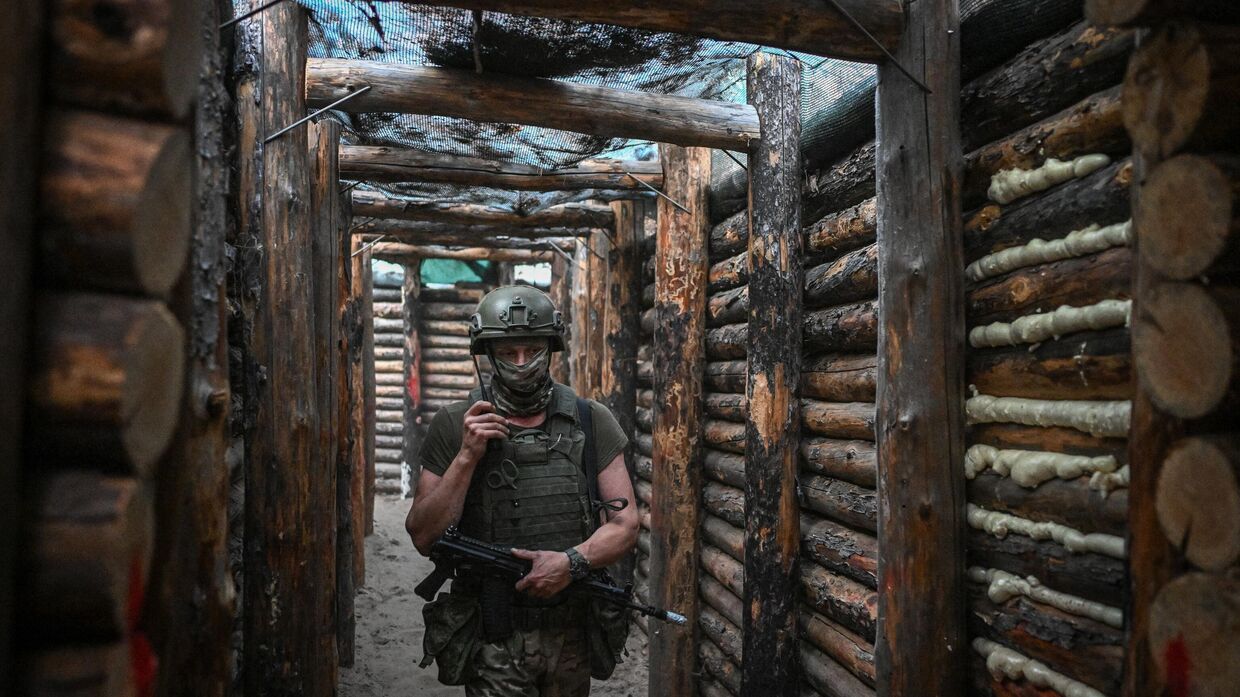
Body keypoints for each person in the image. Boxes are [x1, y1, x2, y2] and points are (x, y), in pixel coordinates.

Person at [406, 285, 639, 696]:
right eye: (508, 353)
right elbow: (424, 536)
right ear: (487, 355)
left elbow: (625, 524)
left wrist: (571, 562)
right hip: (494, 632)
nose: (521, 363)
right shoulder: (454, 423)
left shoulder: (590, 420)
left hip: (570, 630)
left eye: (531, 350)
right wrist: (466, 457)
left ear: (549, 350)